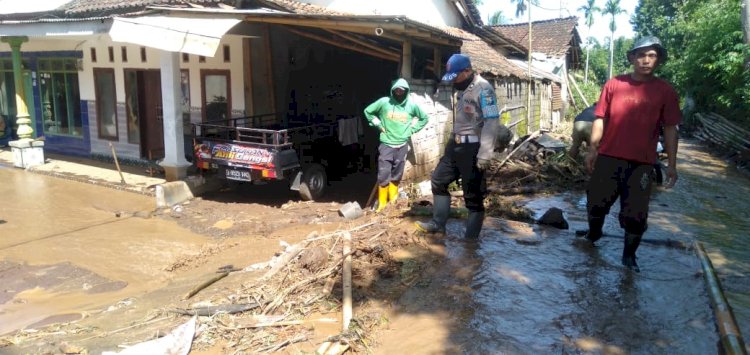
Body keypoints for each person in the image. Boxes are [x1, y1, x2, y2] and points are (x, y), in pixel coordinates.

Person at [581, 36, 681, 272]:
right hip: (608, 157)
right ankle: (593, 235)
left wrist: (672, 165)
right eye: (641, 55)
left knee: (636, 214)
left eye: (652, 56)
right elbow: (600, 119)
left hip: (642, 164)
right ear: (632, 57)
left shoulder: (665, 91)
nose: (646, 60)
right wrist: (592, 150)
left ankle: (628, 257)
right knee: (595, 203)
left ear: (658, 60)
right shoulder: (614, 85)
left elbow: (670, 129)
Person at [415, 53, 505, 239]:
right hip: (454, 146)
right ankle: (438, 224)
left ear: (467, 71)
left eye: (456, 76)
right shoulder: (462, 88)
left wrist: (485, 154)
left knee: (473, 197)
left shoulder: (484, 89)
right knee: (438, 180)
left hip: (473, 149)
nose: (454, 80)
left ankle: (470, 242)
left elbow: (491, 121)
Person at [364, 78, 430, 212]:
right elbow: (368, 111)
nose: (399, 92)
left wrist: (412, 130)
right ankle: (382, 204)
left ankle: (393, 202)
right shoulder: (384, 102)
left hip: (402, 145)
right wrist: (377, 124)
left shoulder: (411, 106)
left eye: (402, 90)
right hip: (386, 144)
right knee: (383, 174)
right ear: (393, 90)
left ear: (406, 91)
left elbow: (424, 118)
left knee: (397, 174)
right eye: (397, 90)